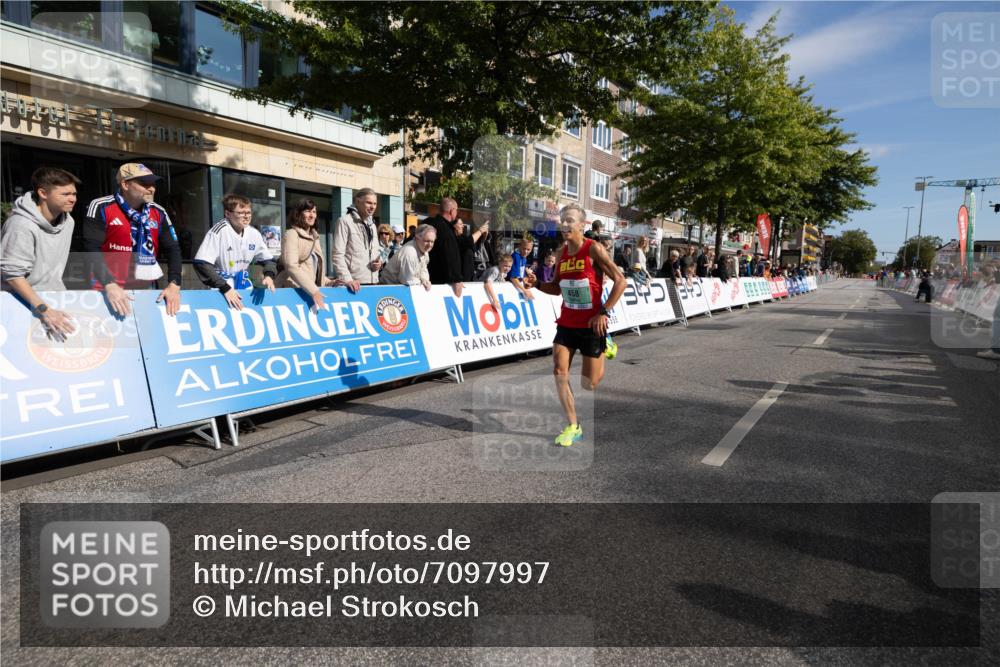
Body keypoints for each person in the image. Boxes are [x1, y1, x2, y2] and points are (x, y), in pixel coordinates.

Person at [536, 203, 626, 447]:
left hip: (591, 324)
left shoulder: (593, 249)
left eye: (570, 220)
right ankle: (573, 425)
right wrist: (536, 284)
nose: (564, 224)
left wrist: (603, 312)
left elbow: (621, 281)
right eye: (562, 220)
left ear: (581, 225)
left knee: (589, 383)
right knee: (558, 370)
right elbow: (555, 288)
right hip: (567, 321)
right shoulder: (561, 253)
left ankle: (606, 342)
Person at [84, 163, 182, 316]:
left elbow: (173, 249)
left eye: (153, 184)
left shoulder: (158, 211)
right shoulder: (101, 206)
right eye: (144, 184)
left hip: (145, 287)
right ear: (125, 184)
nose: (152, 188)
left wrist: (174, 284)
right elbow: (91, 249)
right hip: (107, 288)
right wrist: (109, 285)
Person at [0, 167, 80, 339]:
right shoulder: (21, 225)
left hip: (53, 301)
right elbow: (12, 275)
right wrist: (44, 309)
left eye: (74, 193)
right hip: (18, 303)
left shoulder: (68, 221)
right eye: (65, 194)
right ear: (43, 193)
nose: (73, 199)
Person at [193, 194, 276, 310]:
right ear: (227, 214)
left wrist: (269, 275)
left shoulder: (254, 233)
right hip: (221, 288)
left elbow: (269, 260)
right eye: (241, 213)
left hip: (243, 283)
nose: (246, 217)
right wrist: (225, 288)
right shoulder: (218, 231)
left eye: (248, 212)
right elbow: (201, 263)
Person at [276, 198, 338, 312]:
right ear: (298, 214)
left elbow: (310, 269)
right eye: (308, 211)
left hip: (308, 293)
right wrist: (314, 290)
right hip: (293, 292)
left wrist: (329, 281)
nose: (312, 215)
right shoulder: (291, 234)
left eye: (314, 212)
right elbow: (291, 265)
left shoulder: (315, 237)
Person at [331, 187, 381, 293]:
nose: (372, 207)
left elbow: (373, 252)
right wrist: (347, 280)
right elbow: (337, 255)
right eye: (369, 203)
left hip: (374, 282)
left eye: (375, 204)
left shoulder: (372, 225)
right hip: (353, 285)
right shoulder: (344, 221)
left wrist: (378, 263)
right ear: (358, 201)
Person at [425, 197, 465, 296]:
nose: (456, 212)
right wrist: (457, 279)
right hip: (439, 282)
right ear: (452, 211)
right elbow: (450, 255)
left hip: (426, 277)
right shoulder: (445, 230)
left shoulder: (428, 223)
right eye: (456, 209)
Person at [379, 223, 435, 290]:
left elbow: (423, 269)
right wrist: (422, 282)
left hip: (400, 288)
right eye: (427, 241)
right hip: (388, 289)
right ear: (417, 238)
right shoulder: (409, 252)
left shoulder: (424, 250)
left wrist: (425, 280)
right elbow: (408, 280)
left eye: (432, 242)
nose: (429, 245)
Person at [507, 235, 536, 301]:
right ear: (519, 246)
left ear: (531, 250)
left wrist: (525, 282)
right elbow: (513, 278)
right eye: (524, 248)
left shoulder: (524, 258)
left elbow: (520, 276)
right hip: (510, 286)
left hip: (516, 286)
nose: (526, 251)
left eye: (528, 249)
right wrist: (525, 290)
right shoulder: (516, 257)